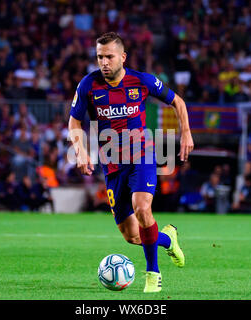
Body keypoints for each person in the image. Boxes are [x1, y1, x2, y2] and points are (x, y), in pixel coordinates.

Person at [68, 32, 194, 293]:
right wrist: (79, 149)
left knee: (142, 207)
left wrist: (187, 133)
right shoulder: (88, 85)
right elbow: (74, 121)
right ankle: (168, 240)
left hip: (141, 155)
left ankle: (153, 275)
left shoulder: (142, 81)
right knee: (132, 235)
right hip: (112, 165)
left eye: (109, 57)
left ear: (122, 57)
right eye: (100, 57)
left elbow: (177, 102)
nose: (104, 62)